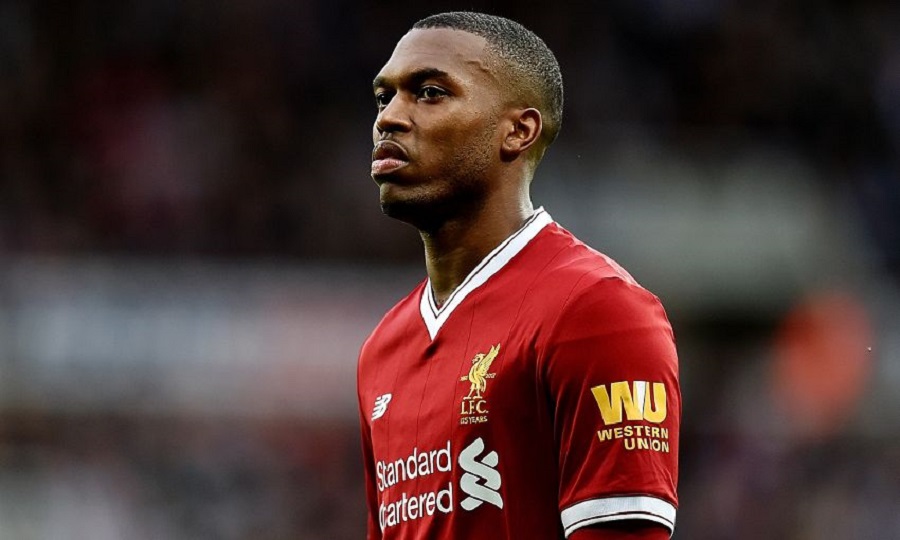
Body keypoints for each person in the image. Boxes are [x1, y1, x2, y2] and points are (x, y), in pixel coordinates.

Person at [358, 11, 680, 540]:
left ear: (518, 131)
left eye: (430, 93)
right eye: (383, 97)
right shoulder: (382, 349)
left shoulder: (596, 309)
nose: (389, 118)